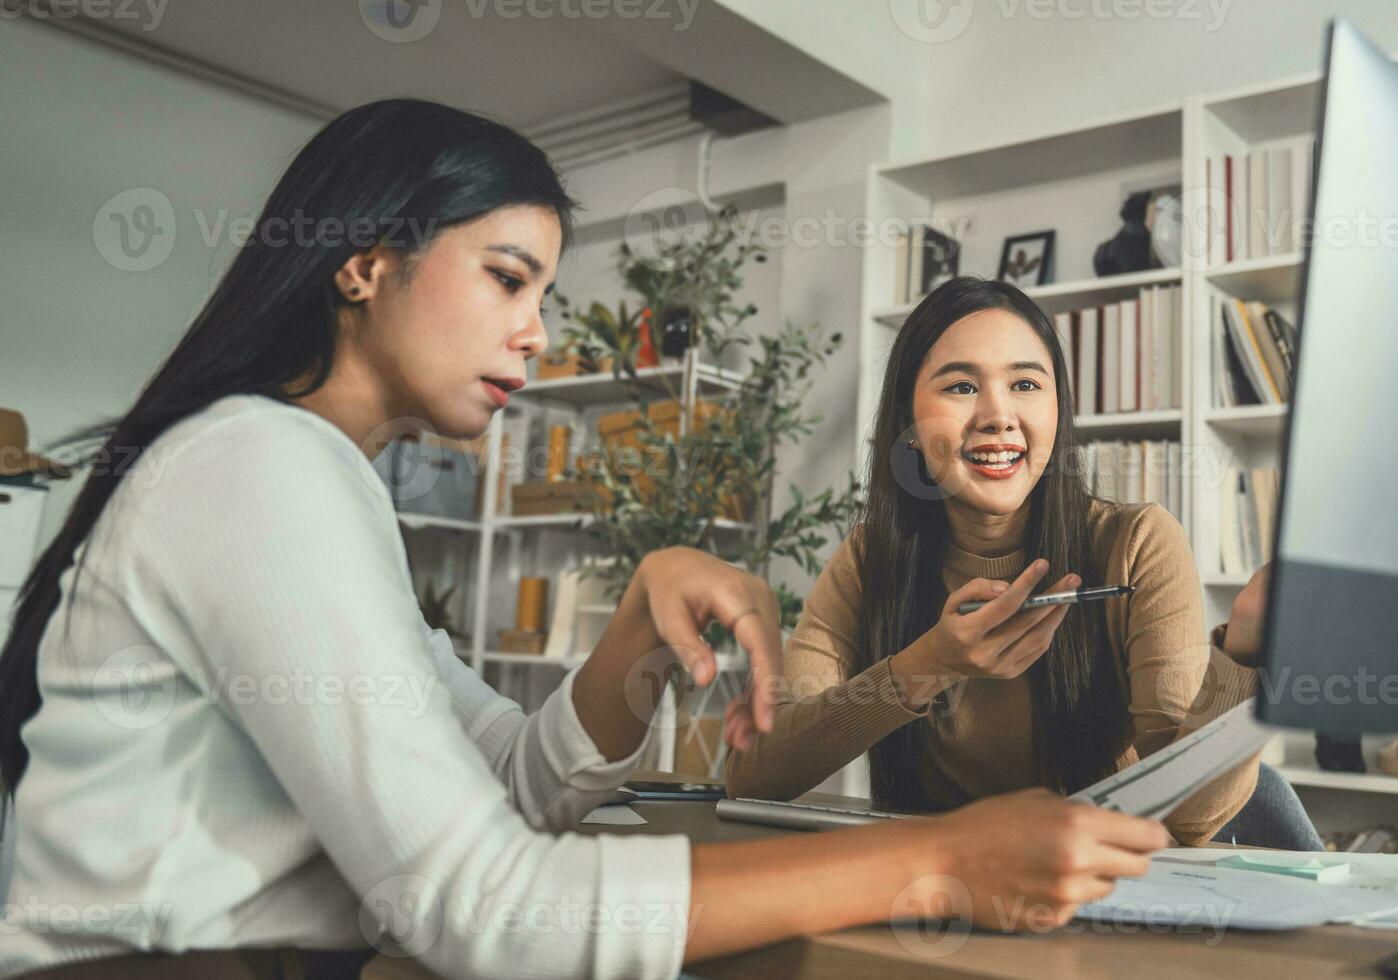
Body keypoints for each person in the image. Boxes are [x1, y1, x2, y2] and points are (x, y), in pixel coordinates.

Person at [0, 101, 1169, 980]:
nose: (536, 334)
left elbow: (508, 784)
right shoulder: (252, 466)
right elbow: (484, 903)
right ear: (361, 261)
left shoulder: (324, 489)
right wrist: (942, 859)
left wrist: (626, 643)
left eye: (545, 294)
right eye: (508, 279)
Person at [725, 276, 1264, 845]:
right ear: (908, 423)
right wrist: (926, 665)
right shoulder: (869, 559)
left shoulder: (1137, 543)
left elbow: (1187, 819)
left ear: (1059, 411)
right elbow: (754, 775)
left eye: (1026, 383)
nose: (998, 416)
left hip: (1098, 896)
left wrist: (1244, 655)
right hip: (936, 894)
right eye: (960, 387)